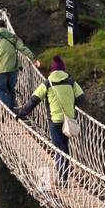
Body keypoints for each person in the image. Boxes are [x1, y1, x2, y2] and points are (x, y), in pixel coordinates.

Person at [15, 54, 84, 184]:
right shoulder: (71, 82)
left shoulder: (47, 84)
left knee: (58, 149)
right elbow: (81, 99)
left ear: (52, 70)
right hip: (68, 120)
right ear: (63, 70)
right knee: (65, 148)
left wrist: (21, 113)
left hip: (54, 121)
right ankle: (64, 176)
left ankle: (62, 179)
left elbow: (33, 101)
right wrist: (69, 101)